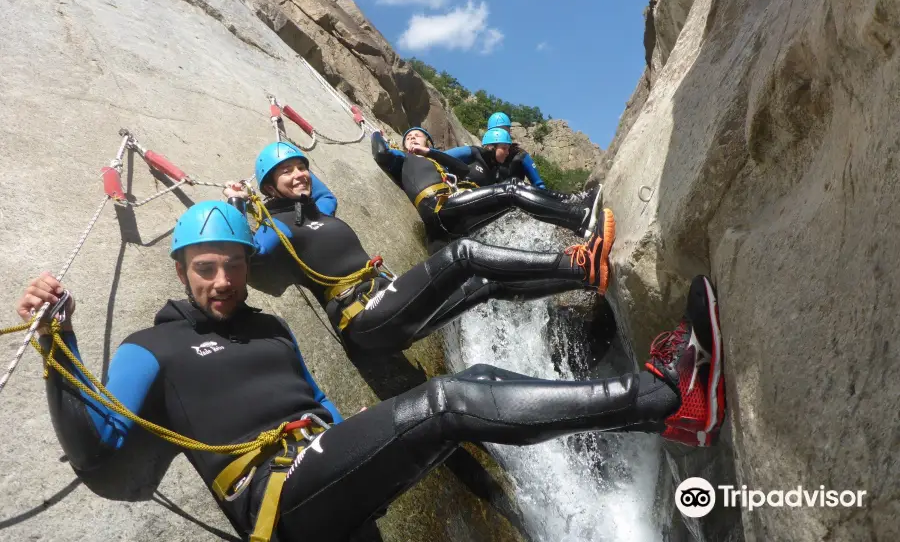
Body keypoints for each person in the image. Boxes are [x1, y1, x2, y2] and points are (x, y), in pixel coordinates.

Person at [17, 200, 728, 541]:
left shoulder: (268, 327)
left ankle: (663, 394)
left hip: (327, 473)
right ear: (181, 270)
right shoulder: (152, 348)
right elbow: (110, 462)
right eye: (206, 270)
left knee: (476, 385)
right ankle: (668, 400)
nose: (223, 282)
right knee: (446, 403)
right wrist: (59, 350)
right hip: (279, 502)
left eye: (233, 267)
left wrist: (362, 433)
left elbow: (314, 397)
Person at [225, 141, 615, 354]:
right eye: (285, 172)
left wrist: (289, 154)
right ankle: (573, 259)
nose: (298, 175)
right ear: (269, 187)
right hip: (364, 318)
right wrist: (240, 203)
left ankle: (582, 275)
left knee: (488, 285)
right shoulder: (278, 226)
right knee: (463, 254)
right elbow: (250, 254)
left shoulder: (320, 208)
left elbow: (323, 189)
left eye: (300, 167)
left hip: (390, 307)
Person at [371, 127, 602, 254]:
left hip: (455, 213)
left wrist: (429, 153)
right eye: (408, 138)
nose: (412, 139)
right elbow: (382, 153)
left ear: (428, 142)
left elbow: (462, 169)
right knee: (511, 190)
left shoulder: (433, 159)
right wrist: (376, 134)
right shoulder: (405, 158)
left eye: (417, 136)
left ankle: (576, 228)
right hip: (445, 210)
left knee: (510, 201)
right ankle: (579, 214)